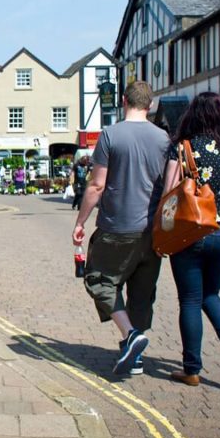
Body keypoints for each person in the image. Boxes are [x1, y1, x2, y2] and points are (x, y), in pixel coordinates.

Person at [72, 81, 170, 377]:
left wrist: (80, 222)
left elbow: (97, 185)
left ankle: (130, 336)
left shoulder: (111, 135)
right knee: (142, 293)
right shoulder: (165, 138)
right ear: (150, 105)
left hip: (116, 228)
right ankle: (136, 358)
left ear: (124, 100)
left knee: (99, 279)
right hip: (153, 231)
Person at [163, 92, 220, 386]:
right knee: (210, 295)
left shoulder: (183, 149)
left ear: (193, 116)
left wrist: (162, 234)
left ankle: (191, 370)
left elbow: (169, 194)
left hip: (191, 233)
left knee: (190, 299)